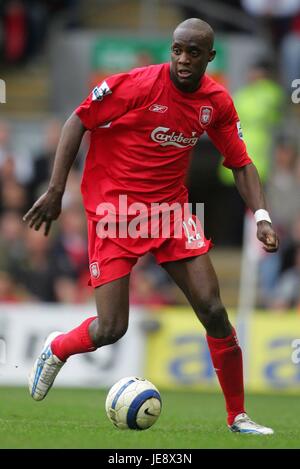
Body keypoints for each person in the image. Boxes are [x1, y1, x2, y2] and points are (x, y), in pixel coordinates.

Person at [23, 18, 279, 435]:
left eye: (193, 53)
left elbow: (241, 162)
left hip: (170, 213)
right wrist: (55, 191)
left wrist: (262, 218)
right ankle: (57, 348)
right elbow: (77, 120)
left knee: (213, 309)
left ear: (209, 58)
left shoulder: (216, 102)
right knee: (111, 328)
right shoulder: (137, 85)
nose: (182, 59)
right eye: (177, 49)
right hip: (114, 211)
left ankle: (238, 417)